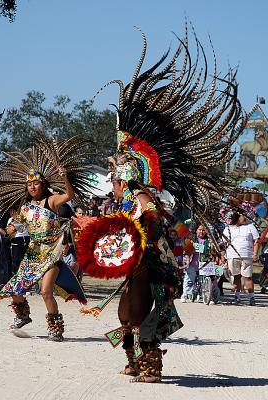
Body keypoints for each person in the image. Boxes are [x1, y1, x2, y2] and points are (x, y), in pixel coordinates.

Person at [77, 26, 246, 383]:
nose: (113, 178)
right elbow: (117, 228)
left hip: (154, 260)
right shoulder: (120, 199)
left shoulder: (142, 196)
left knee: (143, 312)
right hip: (136, 259)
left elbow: (153, 220)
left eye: (116, 174)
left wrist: (146, 229)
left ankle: (149, 361)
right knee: (126, 315)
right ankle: (134, 357)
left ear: (128, 174)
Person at [0, 133, 92, 341]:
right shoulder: (25, 208)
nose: (32, 187)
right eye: (29, 185)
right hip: (32, 254)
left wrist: (64, 177)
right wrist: (2, 232)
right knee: (14, 288)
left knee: (46, 292)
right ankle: (23, 315)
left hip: (51, 254)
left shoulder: (52, 201)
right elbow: (14, 228)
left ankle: (55, 328)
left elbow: (70, 196)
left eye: (36, 183)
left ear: (43, 184)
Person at [223, 212, 259, 305]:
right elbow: (224, 243)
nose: (245, 217)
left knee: (248, 277)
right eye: (243, 216)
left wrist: (255, 253)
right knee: (236, 277)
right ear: (237, 217)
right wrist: (223, 255)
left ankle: (251, 298)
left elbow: (256, 241)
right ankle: (237, 296)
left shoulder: (250, 226)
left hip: (246, 255)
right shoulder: (228, 228)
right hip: (232, 255)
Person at [180, 224, 210, 302]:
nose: (201, 231)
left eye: (203, 230)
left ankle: (205, 296)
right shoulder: (191, 239)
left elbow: (211, 252)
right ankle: (185, 295)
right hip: (191, 263)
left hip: (203, 264)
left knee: (203, 281)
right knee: (189, 280)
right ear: (196, 231)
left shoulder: (208, 241)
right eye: (200, 230)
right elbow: (184, 248)